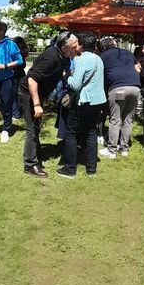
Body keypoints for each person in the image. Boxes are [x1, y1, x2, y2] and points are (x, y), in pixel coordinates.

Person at [19, 30, 78, 177]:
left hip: (40, 93)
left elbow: (64, 73)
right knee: (32, 128)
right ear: (64, 46)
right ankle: (30, 164)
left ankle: (36, 151)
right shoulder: (51, 57)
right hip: (28, 93)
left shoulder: (64, 56)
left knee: (37, 126)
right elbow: (32, 79)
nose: (77, 49)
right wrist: (37, 104)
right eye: (74, 46)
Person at [57, 32, 106, 178]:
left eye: (77, 43)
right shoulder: (98, 58)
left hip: (84, 101)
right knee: (91, 132)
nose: (75, 45)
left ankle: (70, 169)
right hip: (98, 101)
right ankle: (91, 169)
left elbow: (76, 85)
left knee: (71, 133)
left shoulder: (81, 60)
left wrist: (67, 76)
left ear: (82, 45)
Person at [98, 36, 141, 159]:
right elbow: (137, 68)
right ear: (115, 44)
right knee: (128, 119)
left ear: (103, 47)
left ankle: (111, 150)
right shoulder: (127, 53)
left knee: (115, 120)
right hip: (135, 87)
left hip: (118, 88)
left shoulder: (103, 56)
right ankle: (124, 148)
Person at [12, 36, 29, 119]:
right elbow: (24, 65)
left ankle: (16, 113)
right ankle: (23, 110)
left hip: (14, 74)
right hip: (21, 74)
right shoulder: (23, 52)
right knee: (22, 93)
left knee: (14, 94)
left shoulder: (15, 53)